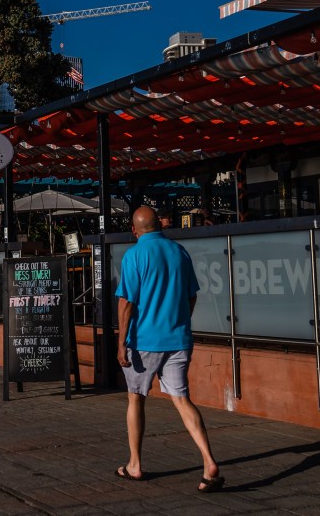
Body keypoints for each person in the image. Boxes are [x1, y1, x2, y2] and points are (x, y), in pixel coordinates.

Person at [114, 206, 222, 492]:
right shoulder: (179, 252)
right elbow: (191, 296)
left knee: (136, 398)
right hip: (178, 339)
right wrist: (180, 322)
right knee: (182, 400)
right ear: (158, 226)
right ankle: (209, 462)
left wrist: (121, 341)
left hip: (144, 341)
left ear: (135, 230)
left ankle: (135, 464)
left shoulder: (135, 255)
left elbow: (126, 303)